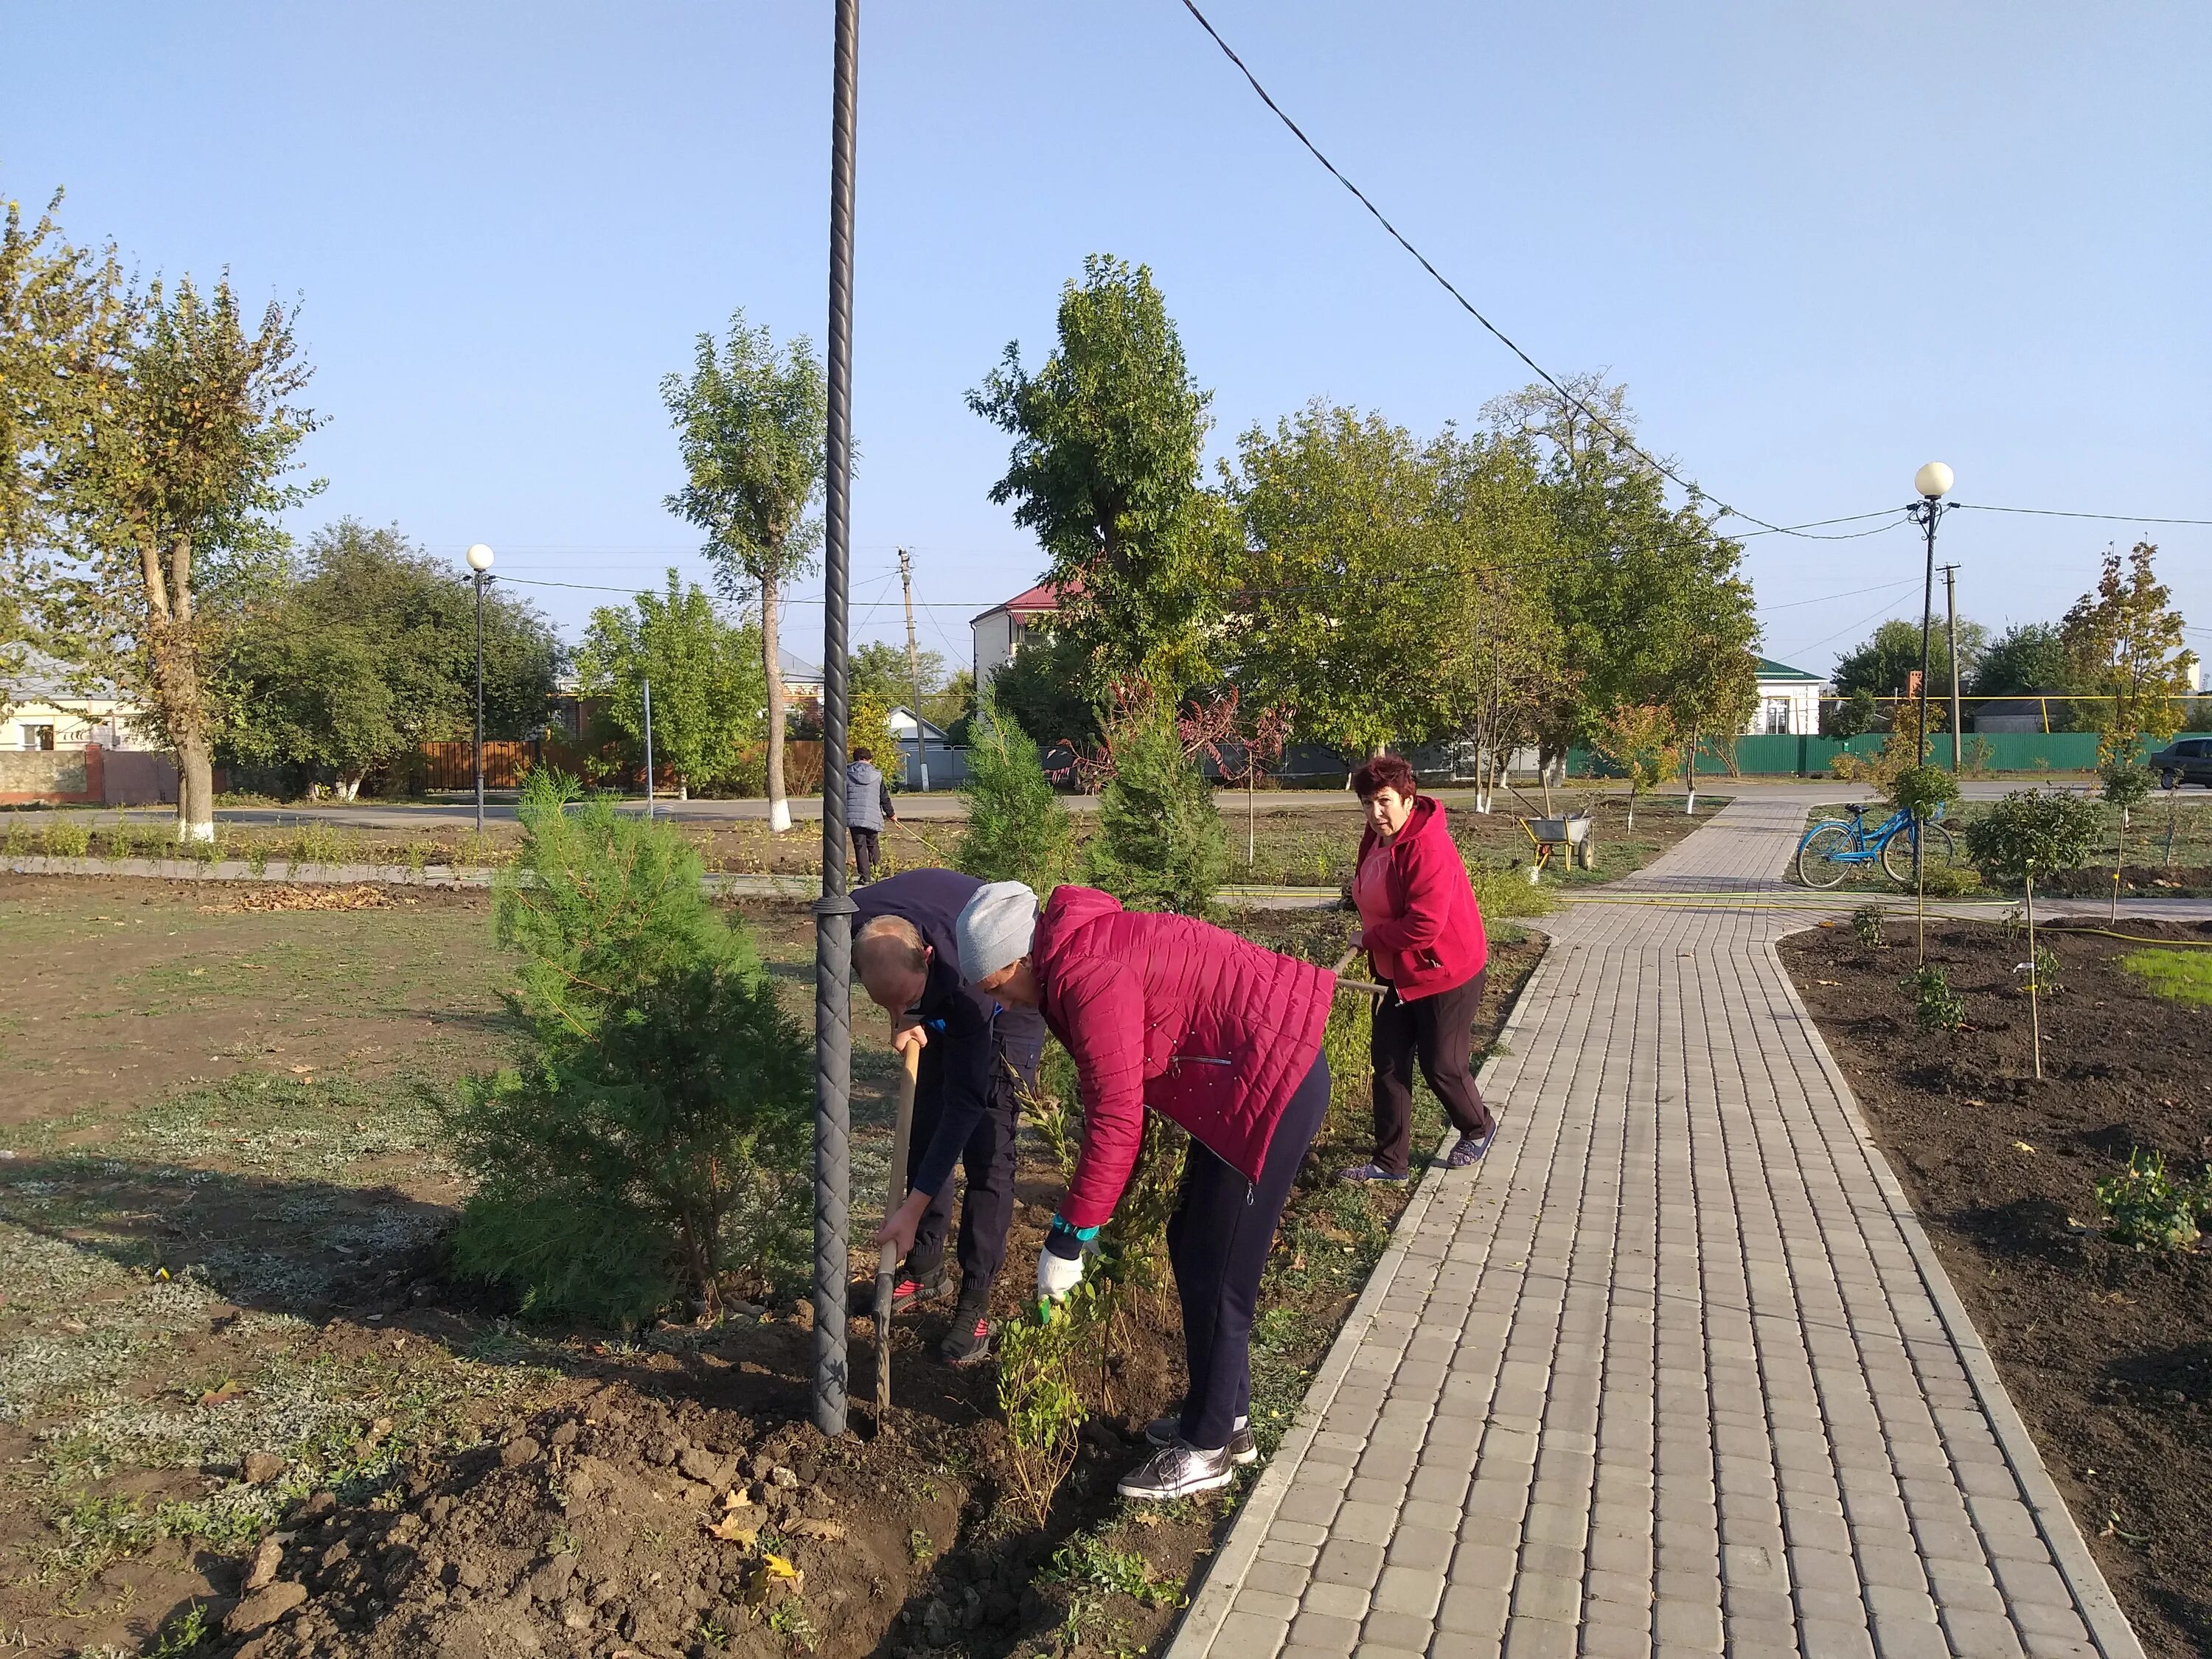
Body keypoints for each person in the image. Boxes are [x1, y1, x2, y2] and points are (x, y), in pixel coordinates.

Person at [954, 878, 1336, 1501]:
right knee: (1192, 1244)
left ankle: (1208, 1449)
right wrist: (1090, 1219)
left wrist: (1069, 1239)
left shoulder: (1086, 974)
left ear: (1019, 961)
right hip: (1249, 1077)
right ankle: (1225, 1420)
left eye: (1000, 989)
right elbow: (1117, 1093)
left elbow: (1116, 1118)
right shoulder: (1077, 953)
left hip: (1273, 1080)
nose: (1010, 1005)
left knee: (1221, 1271)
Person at [857, 868, 1044, 1364]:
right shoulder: (849, 919)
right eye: (888, 1005)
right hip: (939, 981)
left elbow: (965, 1101)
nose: (899, 1016)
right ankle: (925, 1266)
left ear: (927, 959)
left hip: (1008, 995)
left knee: (987, 1145)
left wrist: (910, 1206)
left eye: (908, 1001)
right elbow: (899, 988)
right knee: (924, 1125)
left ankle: (975, 1304)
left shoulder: (969, 986)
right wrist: (907, 1015)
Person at [1339, 753, 1495, 1183]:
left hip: (1446, 970)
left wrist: (1369, 939)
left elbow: (1425, 925)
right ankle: (1390, 1163)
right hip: (1398, 972)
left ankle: (1478, 1127)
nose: (1375, 813)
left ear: (1408, 799)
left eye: (1384, 801)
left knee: (1442, 1063)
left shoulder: (1429, 845)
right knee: (1388, 1062)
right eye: (1367, 803)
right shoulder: (1375, 838)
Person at [846, 748, 896, 883]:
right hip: (872, 815)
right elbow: (884, 797)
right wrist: (891, 814)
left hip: (854, 816)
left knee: (859, 845)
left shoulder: (847, 774)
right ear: (870, 760)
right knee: (873, 843)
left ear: (855, 759)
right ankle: (877, 873)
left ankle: (865, 877)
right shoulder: (877, 776)